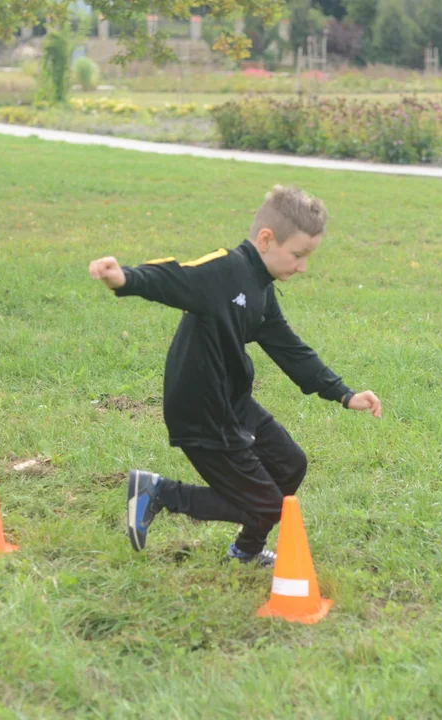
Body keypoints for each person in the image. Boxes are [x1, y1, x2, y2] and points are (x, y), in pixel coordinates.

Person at [88, 185, 383, 568]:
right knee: (267, 505)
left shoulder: (261, 287)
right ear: (266, 239)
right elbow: (177, 277)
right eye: (297, 255)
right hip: (201, 409)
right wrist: (124, 278)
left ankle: (245, 552)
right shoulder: (225, 270)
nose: (302, 267)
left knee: (290, 466)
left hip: (233, 402)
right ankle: (159, 492)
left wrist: (344, 394)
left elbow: (289, 348)